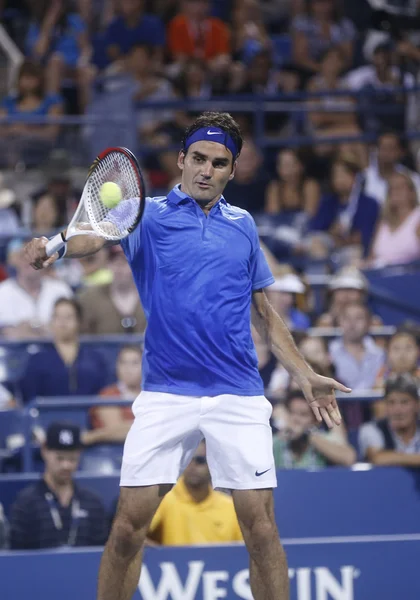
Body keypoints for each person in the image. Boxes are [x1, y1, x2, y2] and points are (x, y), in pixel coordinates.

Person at [25, 111, 350, 600]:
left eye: (219, 163)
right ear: (181, 160)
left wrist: (304, 373)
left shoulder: (243, 227)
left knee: (260, 530)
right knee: (128, 528)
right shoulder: (144, 214)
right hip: (166, 393)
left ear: (232, 171)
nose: (206, 170)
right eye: (198, 158)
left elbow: (263, 311)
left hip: (238, 393)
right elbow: (96, 235)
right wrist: (55, 246)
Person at [9, 422, 108, 549]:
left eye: (72, 459)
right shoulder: (26, 503)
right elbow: (17, 556)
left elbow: (101, 552)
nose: (66, 465)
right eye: (59, 458)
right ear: (44, 451)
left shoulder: (93, 503)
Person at [148, 441, 243, 545]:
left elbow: (241, 550)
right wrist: (159, 553)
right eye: (187, 460)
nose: (192, 466)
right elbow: (135, 533)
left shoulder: (230, 507)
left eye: (200, 460)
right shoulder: (163, 499)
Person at [19, 298, 107, 404]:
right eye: (57, 317)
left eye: (68, 317)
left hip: (88, 416)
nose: (62, 322)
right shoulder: (37, 360)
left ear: (79, 321)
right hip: (48, 417)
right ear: (51, 321)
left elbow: (103, 394)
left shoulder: (95, 359)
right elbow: (30, 398)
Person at [309, 157, 380, 260]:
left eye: (344, 174)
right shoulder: (327, 202)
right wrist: (332, 231)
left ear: (356, 177)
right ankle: (322, 275)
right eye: (336, 175)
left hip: (354, 250)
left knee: (355, 252)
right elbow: (315, 229)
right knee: (315, 243)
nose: (339, 179)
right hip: (330, 248)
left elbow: (364, 237)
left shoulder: (369, 203)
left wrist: (344, 238)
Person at [0, 239, 72, 339]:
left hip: (54, 351)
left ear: (45, 261)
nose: (29, 262)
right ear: (16, 261)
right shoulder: (2, 292)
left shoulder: (60, 289)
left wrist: (28, 332)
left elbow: (72, 328)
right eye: (23, 257)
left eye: (36, 257)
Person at [329, 302, 385, 427]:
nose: (352, 323)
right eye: (347, 318)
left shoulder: (380, 354)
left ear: (369, 323)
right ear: (340, 322)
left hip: (375, 410)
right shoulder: (329, 353)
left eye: (358, 318)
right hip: (341, 412)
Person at [273, 390, 356, 469]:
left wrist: (309, 435)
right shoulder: (277, 441)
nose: (295, 419)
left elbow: (349, 458)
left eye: (303, 415)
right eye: (291, 412)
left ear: (316, 420)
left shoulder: (322, 439)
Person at [78, 245, 146, 335]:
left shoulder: (150, 296)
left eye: (124, 263)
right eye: (114, 262)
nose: (119, 269)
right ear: (108, 265)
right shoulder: (91, 297)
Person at [83, 345, 143, 446]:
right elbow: (116, 430)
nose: (128, 369)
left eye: (135, 363)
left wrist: (94, 436)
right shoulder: (107, 395)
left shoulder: (152, 396)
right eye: (123, 363)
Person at [358, 374, 420, 465]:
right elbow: (377, 458)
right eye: (391, 402)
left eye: (404, 402)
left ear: (417, 405)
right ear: (385, 405)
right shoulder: (371, 429)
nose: (397, 410)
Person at [368, 171, 420, 268]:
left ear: (412, 192)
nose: (395, 191)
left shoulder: (417, 218)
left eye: (400, 187)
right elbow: (372, 257)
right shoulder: (383, 222)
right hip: (379, 276)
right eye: (391, 188)